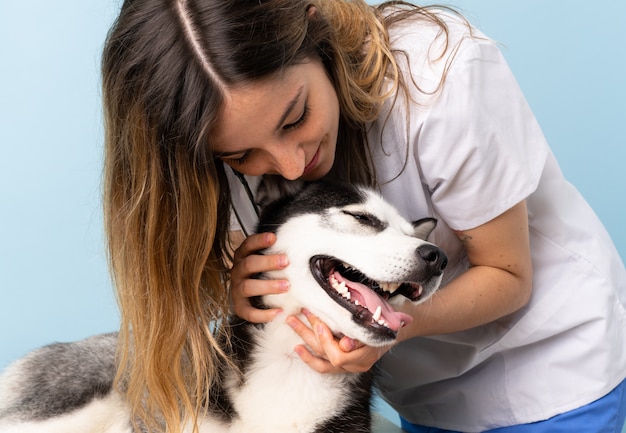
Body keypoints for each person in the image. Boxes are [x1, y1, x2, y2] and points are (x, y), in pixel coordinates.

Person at [101, 0, 626, 432]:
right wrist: (248, 289)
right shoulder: (213, 150)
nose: (288, 166)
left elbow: (508, 275)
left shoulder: (439, 78)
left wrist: (388, 323)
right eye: (242, 157)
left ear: (314, 28)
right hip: (423, 399)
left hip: (554, 372)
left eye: (296, 117)